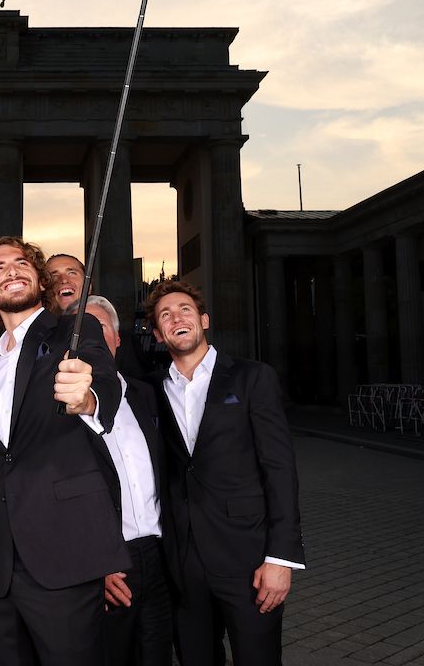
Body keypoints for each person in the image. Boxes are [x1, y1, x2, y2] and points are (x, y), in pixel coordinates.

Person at [0, 236, 129, 666]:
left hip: (64, 553)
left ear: (40, 280)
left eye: (21, 263)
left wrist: (87, 397)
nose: (11, 271)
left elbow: (102, 382)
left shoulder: (73, 333)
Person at [146, 279, 305, 666]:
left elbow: (280, 469)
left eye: (184, 309)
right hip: (184, 564)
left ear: (204, 320)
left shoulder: (252, 377)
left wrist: (281, 559)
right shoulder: (152, 389)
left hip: (247, 560)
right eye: (165, 315)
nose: (176, 318)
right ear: (157, 333)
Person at [83, 295, 175, 666]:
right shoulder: (58, 410)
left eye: (98, 328)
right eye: (82, 330)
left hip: (159, 559)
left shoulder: (147, 395)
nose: (90, 338)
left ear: (118, 339)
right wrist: (93, 565)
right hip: (107, 567)